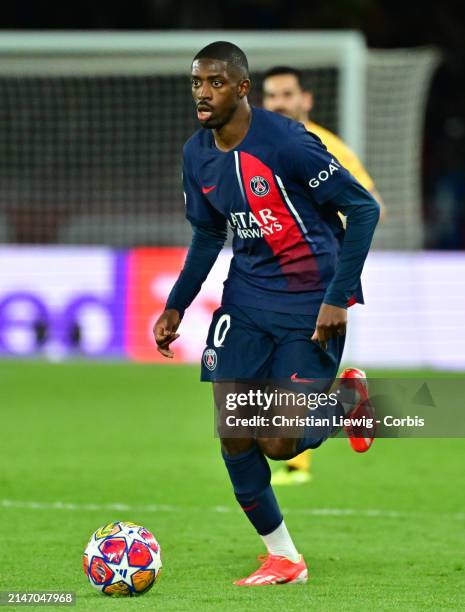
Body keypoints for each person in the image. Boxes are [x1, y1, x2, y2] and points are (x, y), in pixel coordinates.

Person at [153, 41, 380, 586]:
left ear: (242, 88)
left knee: (278, 441)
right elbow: (208, 233)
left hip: (311, 302)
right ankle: (284, 557)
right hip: (247, 302)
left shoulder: (289, 144)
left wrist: (338, 295)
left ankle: (348, 399)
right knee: (234, 429)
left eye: (215, 83)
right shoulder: (197, 154)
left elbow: (363, 208)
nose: (203, 94)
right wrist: (176, 304)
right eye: (196, 83)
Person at [262, 65, 385, 486]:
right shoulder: (259, 145)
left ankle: (297, 457)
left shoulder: (326, 146)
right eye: (271, 96)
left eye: (287, 94)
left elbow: (370, 204)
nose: (279, 103)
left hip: (315, 279)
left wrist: (333, 261)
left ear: (306, 100)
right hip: (274, 279)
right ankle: (337, 410)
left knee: (291, 379)